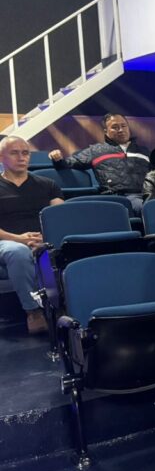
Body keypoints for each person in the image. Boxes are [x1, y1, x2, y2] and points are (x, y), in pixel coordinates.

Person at [0, 136, 63, 333]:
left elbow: (60, 218)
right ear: (1, 157)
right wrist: (19, 239)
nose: (21, 157)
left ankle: (64, 307)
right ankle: (33, 312)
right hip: (6, 241)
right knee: (18, 251)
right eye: (14, 153)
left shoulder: (48, 184)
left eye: (25, 153)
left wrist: (46, 237)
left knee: (62, 248)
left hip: (42, 240)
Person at [48, 112, 149, 214]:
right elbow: (67, 163)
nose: (121, 130)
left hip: (147, 194)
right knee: (147, 207)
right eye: (115, 127)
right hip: (118, 197)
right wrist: (57, 158)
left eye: (123, 126)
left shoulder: (144, 151)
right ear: (106, 131)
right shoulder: (96, 151)